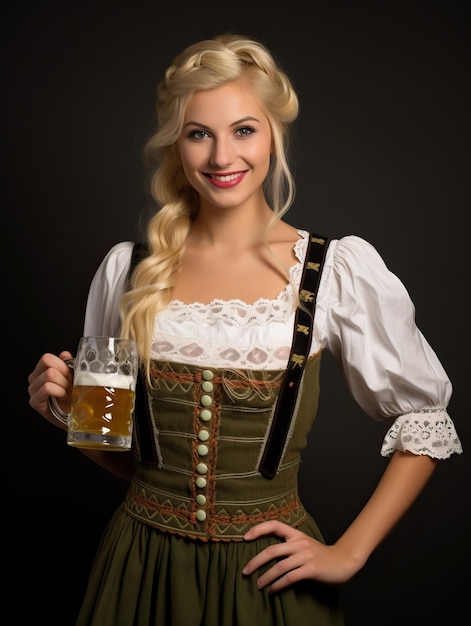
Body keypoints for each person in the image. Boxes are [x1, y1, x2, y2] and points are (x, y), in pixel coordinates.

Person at [27, 33, 462, 626]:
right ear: (175, 145)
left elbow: (423, 420)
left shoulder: (333, 271)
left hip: (269, 577)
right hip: (140, 566)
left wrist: (349, 551)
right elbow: (108, 441)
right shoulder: (127, 269)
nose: (221, 157)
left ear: (275, 134)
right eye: (198, 133)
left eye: (244, 130)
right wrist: (64, 412)